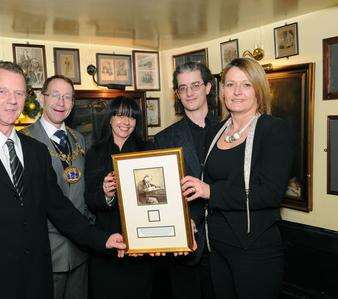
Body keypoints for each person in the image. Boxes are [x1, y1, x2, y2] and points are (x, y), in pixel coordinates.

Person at [0, 61, 126, 299]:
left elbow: (60, 209)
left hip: (38, 282)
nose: (12, 100)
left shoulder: (36, 152)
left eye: (19, 93)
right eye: (3, 91)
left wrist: (102, 239)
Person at [181, 57, 294, 298]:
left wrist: (211, 191)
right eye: (230, 85)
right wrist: (189, 222)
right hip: (217, 247)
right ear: (222, 91)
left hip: (255, 249)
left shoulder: (273, 129)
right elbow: (203, 188)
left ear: (258, 90)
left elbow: (269, 193)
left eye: (246, 85)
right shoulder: (215, 131)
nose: (237, 92)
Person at [21, 75, 90, 299]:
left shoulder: (79, 139)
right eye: (55, 95)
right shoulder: (24, 141)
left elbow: (83, 188)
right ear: (42, 99)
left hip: (80, 250)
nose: (61, 102)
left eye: (68, 97)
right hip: (45, 253)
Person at [153, 61, 218, 299]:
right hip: (185, 247)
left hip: (226, 244)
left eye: (195, 85)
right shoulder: (164, 139)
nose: (189, 93)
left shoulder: (230, 129)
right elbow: (161, 196)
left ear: (208, 87)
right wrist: (182, 221)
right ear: (177, 94)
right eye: (183, 88)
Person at [84, 96, 153, 299]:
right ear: (110, 118)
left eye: (131, 117)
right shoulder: (94, 153)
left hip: (142, 244)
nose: (126, 122)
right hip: (107, 244)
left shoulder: (147, 149)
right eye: (120, 115)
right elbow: (89, 198)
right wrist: (106, 193)